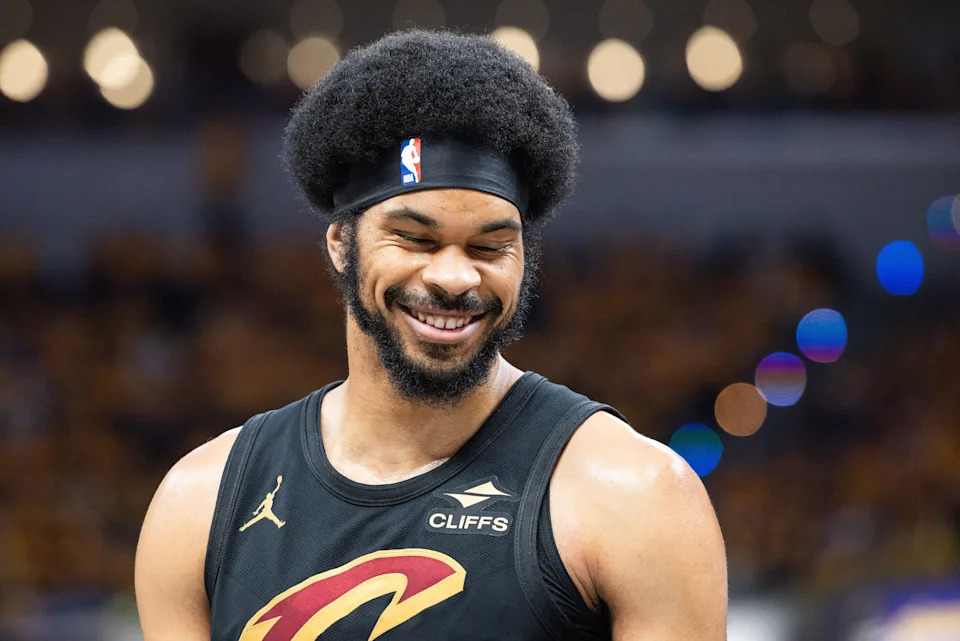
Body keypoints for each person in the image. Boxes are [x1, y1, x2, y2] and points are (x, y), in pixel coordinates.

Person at [135, 30, 727, 640]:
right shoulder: (200, 503)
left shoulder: (634, 496)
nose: (453, 276)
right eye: (414, 239)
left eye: (490, 246)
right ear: (341, 243)